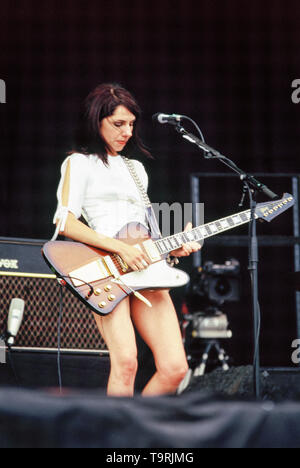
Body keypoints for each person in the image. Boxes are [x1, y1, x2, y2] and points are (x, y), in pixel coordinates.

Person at [53, 83, 201, 397]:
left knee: (175, 368)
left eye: (131, 124)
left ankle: (137, 434)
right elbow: (65, 222)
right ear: (96, 121)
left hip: (145, 266)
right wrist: (120, 248)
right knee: (126, 363)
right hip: (106, 270)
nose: (127, 132)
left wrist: (172, 247)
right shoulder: (78, 163)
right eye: (118, 124)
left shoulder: (136, 169)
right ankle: (117, 443)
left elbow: (143, 231)